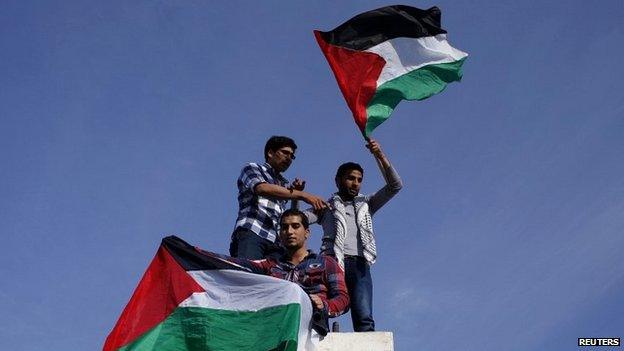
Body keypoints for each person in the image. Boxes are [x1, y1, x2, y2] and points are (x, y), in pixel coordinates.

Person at [305, 139, 402, 332]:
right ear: (338, 180)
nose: (355, 183)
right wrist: (297, 196)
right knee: (321, 310)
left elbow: (395, 185)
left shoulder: (367, 204)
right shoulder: (327, 207)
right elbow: (298, 221)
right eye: (350, 178)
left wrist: (379, 154)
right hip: (331, 263)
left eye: (359, 180)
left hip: (359, 263)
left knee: (364, 316)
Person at [224, 209, 349, 335]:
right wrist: (204, 258)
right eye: (284, 227)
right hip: (274, 336)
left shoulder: (326, 263)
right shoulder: (269, 265)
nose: (289, 232)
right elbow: (238, 265)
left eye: (295, 226)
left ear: (307, 233)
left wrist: (324, 305)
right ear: (280, 234)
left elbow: (343, 299)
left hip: (312, 336)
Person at [230, 136, 327, 259]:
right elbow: (261, 188)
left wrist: (295, 195)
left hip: (276, 242)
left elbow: (290, 216)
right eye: (285, 153)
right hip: (253, 232)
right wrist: (303, 195)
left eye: (292, 156)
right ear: (270, 153)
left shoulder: (282, 184)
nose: (289, 158)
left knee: (275, 277)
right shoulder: (253, 168)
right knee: (249, 275)